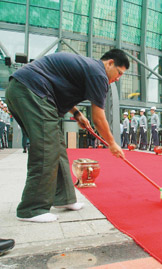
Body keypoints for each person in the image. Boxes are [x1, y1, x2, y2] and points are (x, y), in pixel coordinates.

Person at [6, 48, 129, 223]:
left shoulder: (89, 68)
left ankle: (64, 199)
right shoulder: (99, 74)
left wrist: (77, 113)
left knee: (56, 145)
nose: (117, 79)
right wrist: (112, 143)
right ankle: (32, 208)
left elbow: (58, 84)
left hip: (25, 90)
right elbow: (99, 118)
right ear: (110, 63)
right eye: (119, 73)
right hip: (31, 91)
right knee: (46, 148)